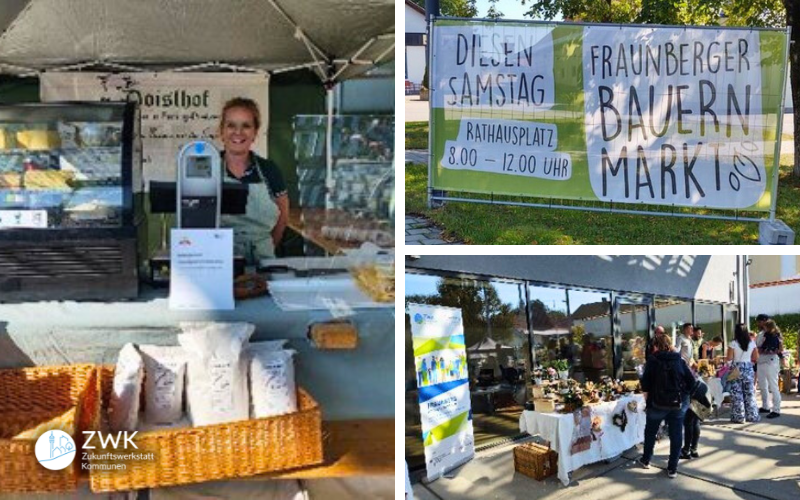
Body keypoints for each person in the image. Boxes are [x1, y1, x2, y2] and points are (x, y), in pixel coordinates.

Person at [219, 97, 289, 263]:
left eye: (246, 126)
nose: (238, 132)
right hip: (219, 261)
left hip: (262, 261)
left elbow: (283, 216)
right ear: (221, 131)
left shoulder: (268, 169)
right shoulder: (206, 169)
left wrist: (265, 247)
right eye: (231, 125)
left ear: (255, 133)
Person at [639, 334, 697, 479]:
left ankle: (646, 460)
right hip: (677, 403)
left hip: (656, 403)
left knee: (650, 432)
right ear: (670, 344)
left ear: (655, 346)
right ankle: (672, 469)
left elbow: (645, 383)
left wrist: (648, 398)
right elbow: (691, 381)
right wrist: (685, 396)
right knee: (676, 434)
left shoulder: (652, 360)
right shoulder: (679, 359)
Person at [727, 324, 760, 424]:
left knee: (737, 394)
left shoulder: (733, 343)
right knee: (749, 393)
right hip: (748, 368)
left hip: (736, 369)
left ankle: (739, 417)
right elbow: (756, 357)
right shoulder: (751, 342)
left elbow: (729, 358)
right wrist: (748, 361)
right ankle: (752, 415)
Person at [756, 319, 785, 418]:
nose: (762, 326)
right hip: (762, 361)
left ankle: (776, 410)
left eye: (764, 326)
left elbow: (779, 349)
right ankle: (765, 406)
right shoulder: (765, 334)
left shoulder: (775, 336)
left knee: (773, 386)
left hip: (771, 361)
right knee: (763, 385)